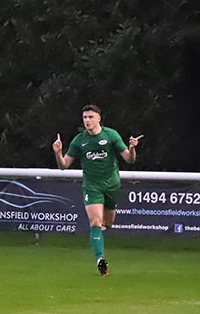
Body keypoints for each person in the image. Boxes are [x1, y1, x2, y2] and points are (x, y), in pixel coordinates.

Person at [52, 104, 142, 276]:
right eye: (85, 117)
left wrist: (132, 148)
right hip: (91, 186)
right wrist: (58, 153)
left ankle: (102, 234)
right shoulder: (79, 140)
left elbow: (129, 160)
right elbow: (64, 165)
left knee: (108, 223)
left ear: (99, 119)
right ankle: (100, 259)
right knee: (95, 222)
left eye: (90, 117)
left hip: (112, 185)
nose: (87, 120)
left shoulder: (111, 135)